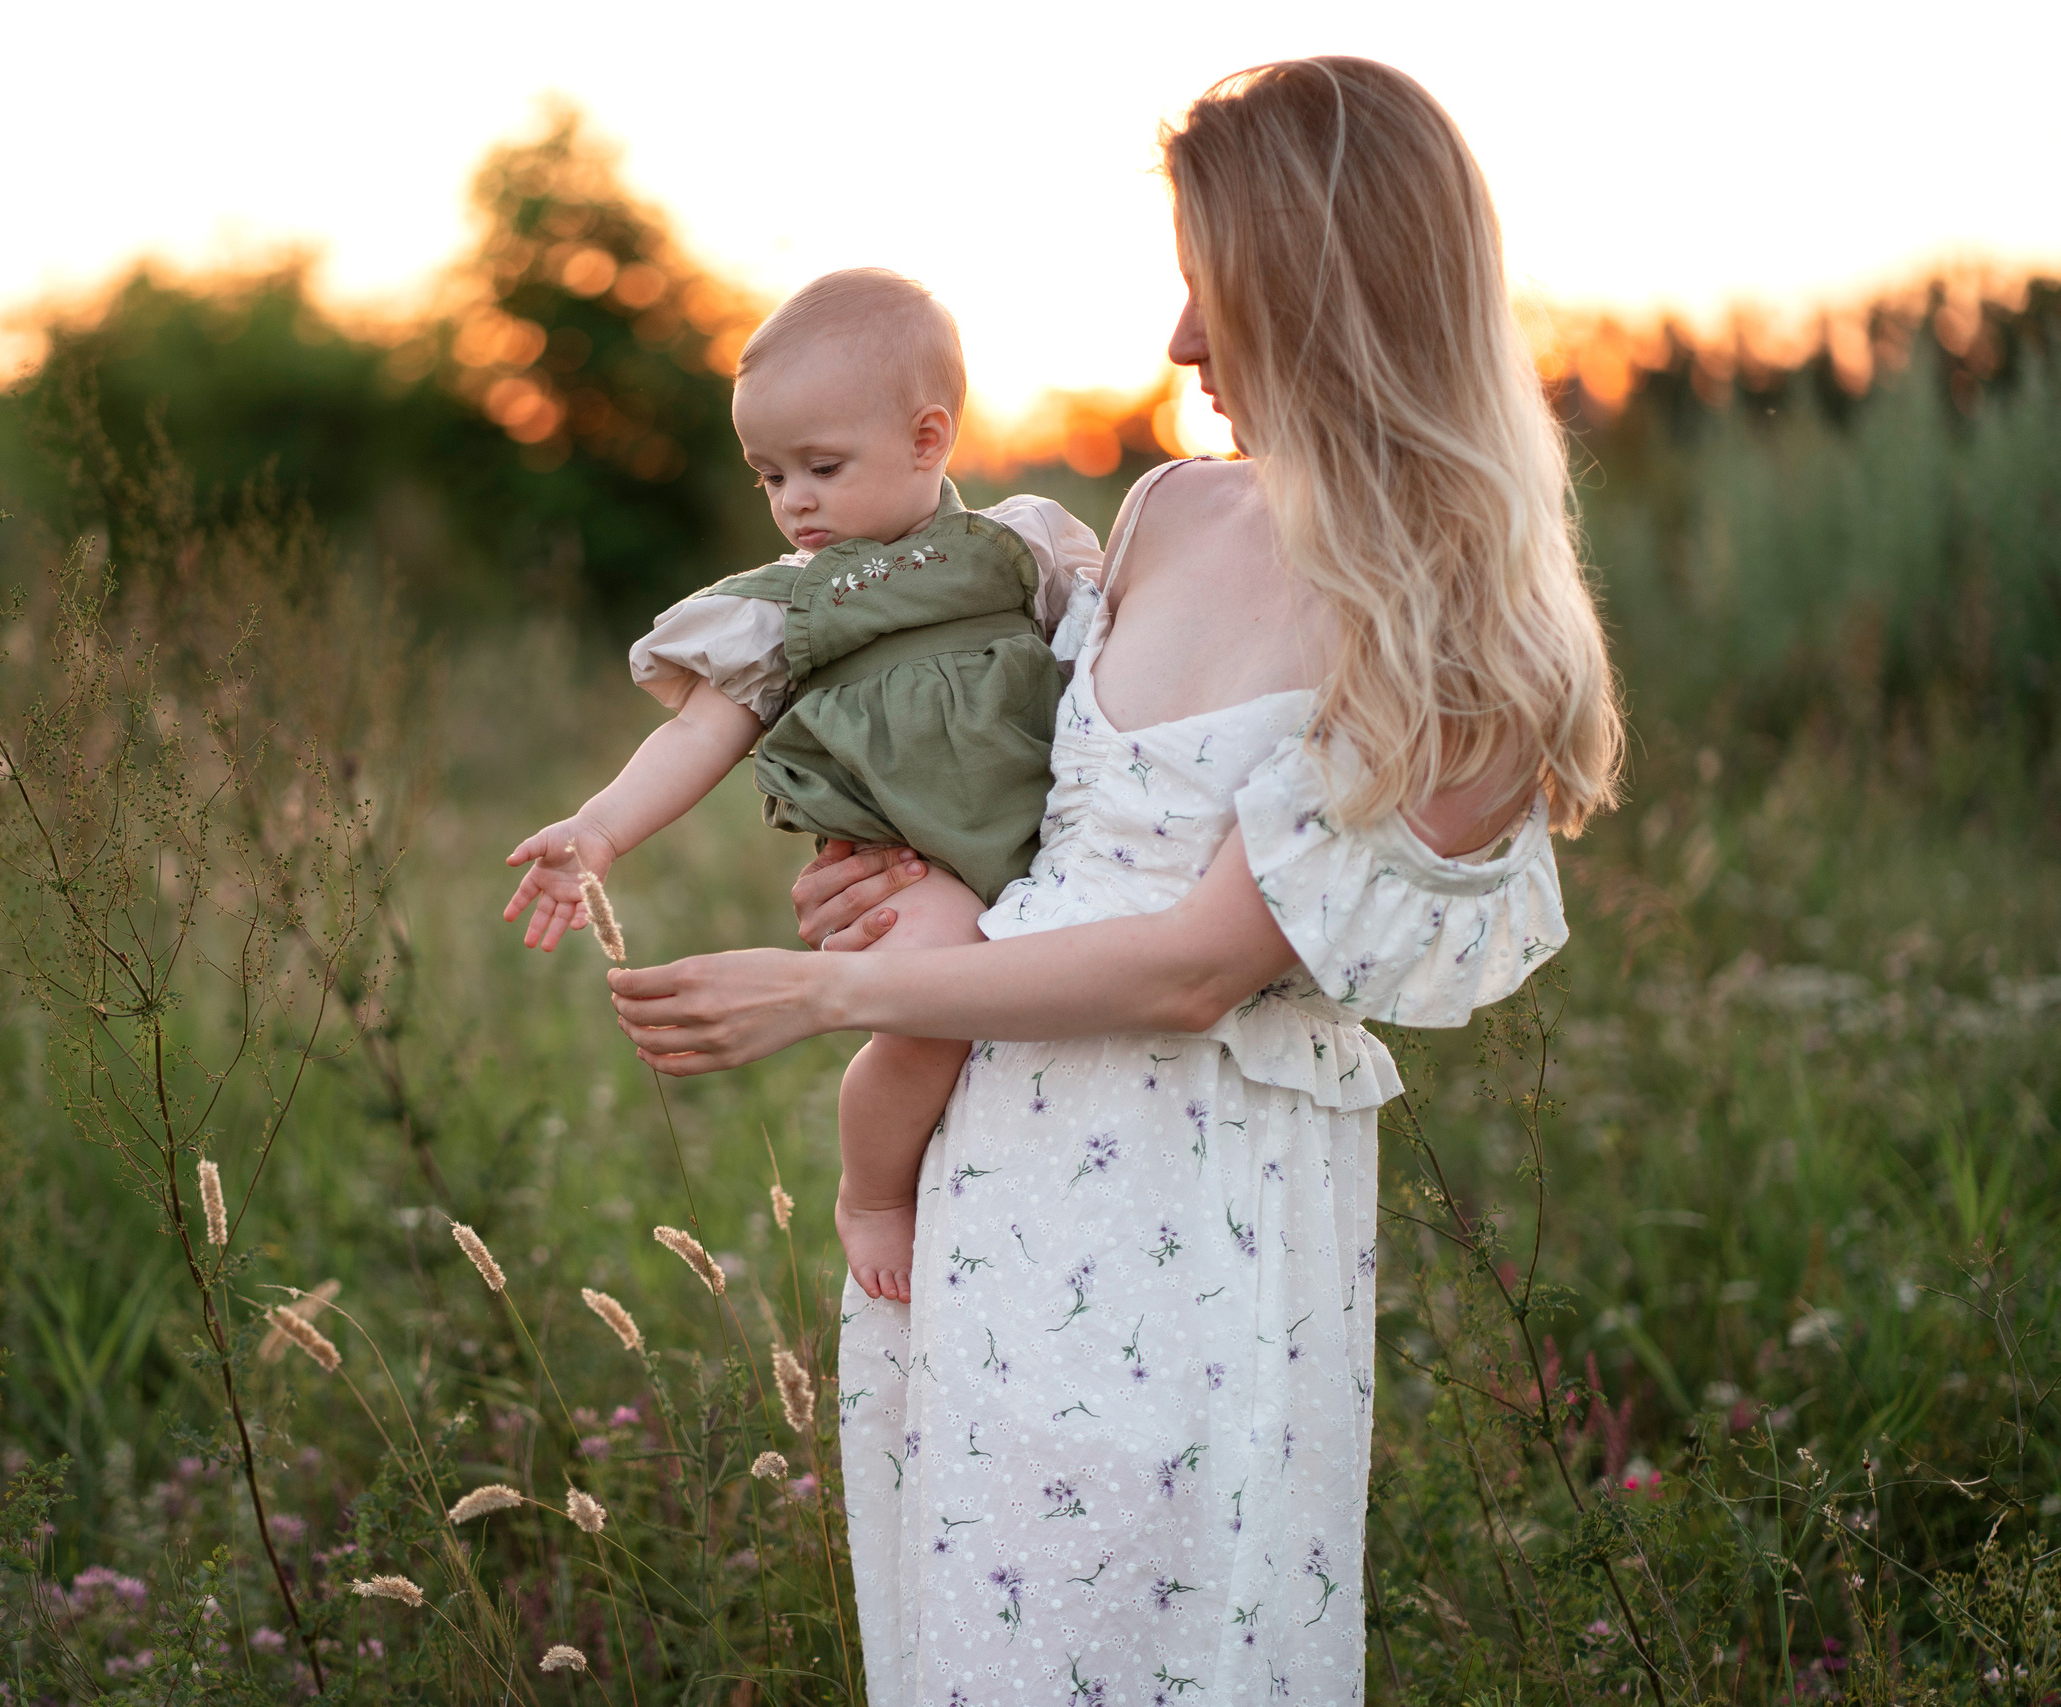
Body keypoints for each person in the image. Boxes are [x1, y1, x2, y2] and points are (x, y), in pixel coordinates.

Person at [603, 59, 1622, 1704]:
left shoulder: (1464, 627)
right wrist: (888, 871)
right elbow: (1037, 821)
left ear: (1332, 292)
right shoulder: (1162, 511)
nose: (1180, 341)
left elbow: (1190, 967)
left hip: (1193, 1202)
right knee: (985, 1630)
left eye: (1216, 290)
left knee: (1159, 1633)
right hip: (992, 1155)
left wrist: (826, 988)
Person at [503, 269, 1102, 1305]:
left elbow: (1100, 661)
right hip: (915, 865)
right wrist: (598, 830)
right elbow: (700, 732)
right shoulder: (783, 612)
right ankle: (873, 1192)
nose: (795, 501)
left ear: (927, 438)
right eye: (769, 477)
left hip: (1055, 844)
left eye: (821, 466)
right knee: (923, 1010)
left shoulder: (1018, 548)